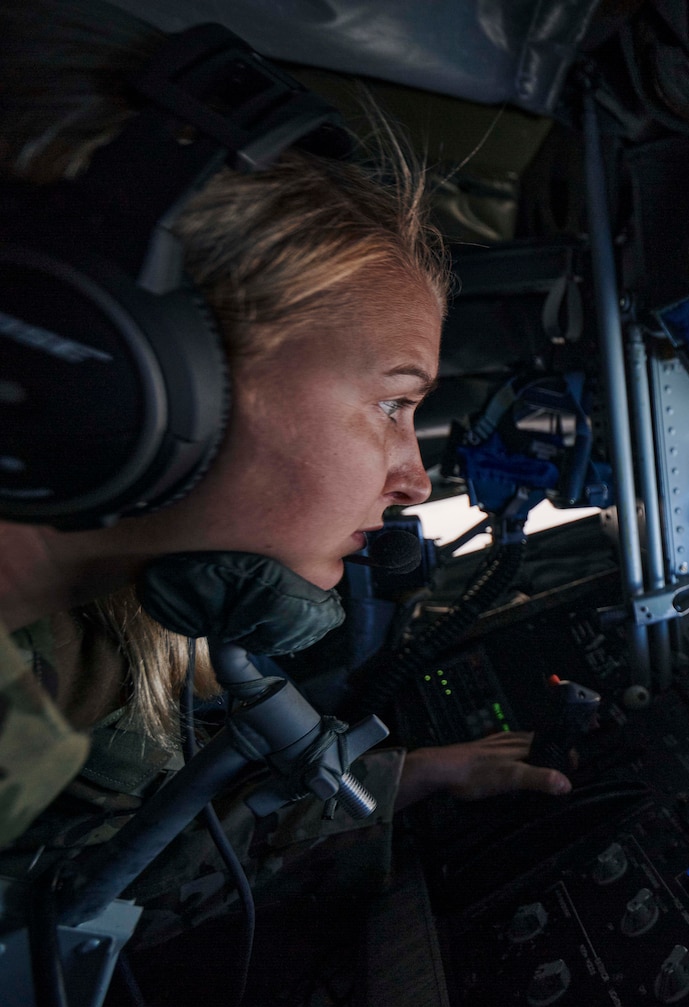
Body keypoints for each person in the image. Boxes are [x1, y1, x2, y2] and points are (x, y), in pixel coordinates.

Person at [0, 0, 569, 939]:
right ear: (132, 375)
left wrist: (402, 779)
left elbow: (73, 876)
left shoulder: (89, 643)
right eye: (392, 404)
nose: (415, 481)